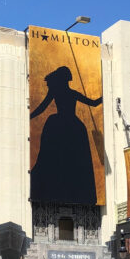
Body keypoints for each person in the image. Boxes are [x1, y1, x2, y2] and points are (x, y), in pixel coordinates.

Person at [29, 65, 103, 204]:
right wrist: (103, 98)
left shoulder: (57, 91)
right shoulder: (70, 93)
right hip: (72, 126)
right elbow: (93, 103)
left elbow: (42, 107)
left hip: (62, 125)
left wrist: (30, 116)